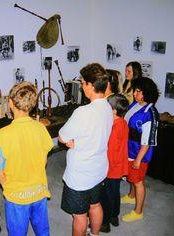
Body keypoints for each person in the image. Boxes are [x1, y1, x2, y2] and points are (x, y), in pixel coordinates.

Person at [0, 81, 53, 236]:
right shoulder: (41, 128)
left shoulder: (1, 136)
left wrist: (9, 187)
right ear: (33, 104)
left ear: (10, 103)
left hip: (16, 196)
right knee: (42, 229)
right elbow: (44, 160)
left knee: (17, 232)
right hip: (39, 191)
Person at [58, 63, 113, 236]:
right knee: (95, 204)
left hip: (81, 174)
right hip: (99, 168)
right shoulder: (108, 108)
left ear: (90, 85)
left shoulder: (83, 112)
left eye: (82, 83)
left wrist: (71, 142)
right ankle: (95, 235)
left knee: (80, 215)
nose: (82, 87)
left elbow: (61, 137)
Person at [121, 77, 160, 222]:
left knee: (138, 182)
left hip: (140, 154)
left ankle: (138, 212)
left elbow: (147, 142)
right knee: (132, 177)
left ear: (146, 93)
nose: (135, 94)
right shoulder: (136, 104)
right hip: (129, 149)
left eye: (138, 91)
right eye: (135, 90)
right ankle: (131, 197)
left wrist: (138, 160)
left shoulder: (150, 114)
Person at [101, 94, 129, 232]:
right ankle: (114, 216)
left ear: (113, 111)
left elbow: (111, 151)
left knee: (106, 196)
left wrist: (105, 168)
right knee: (115, 193)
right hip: (119, 167)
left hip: (111, 168)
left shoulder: (114, 127)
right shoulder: (123, 123)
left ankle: (105, 223)